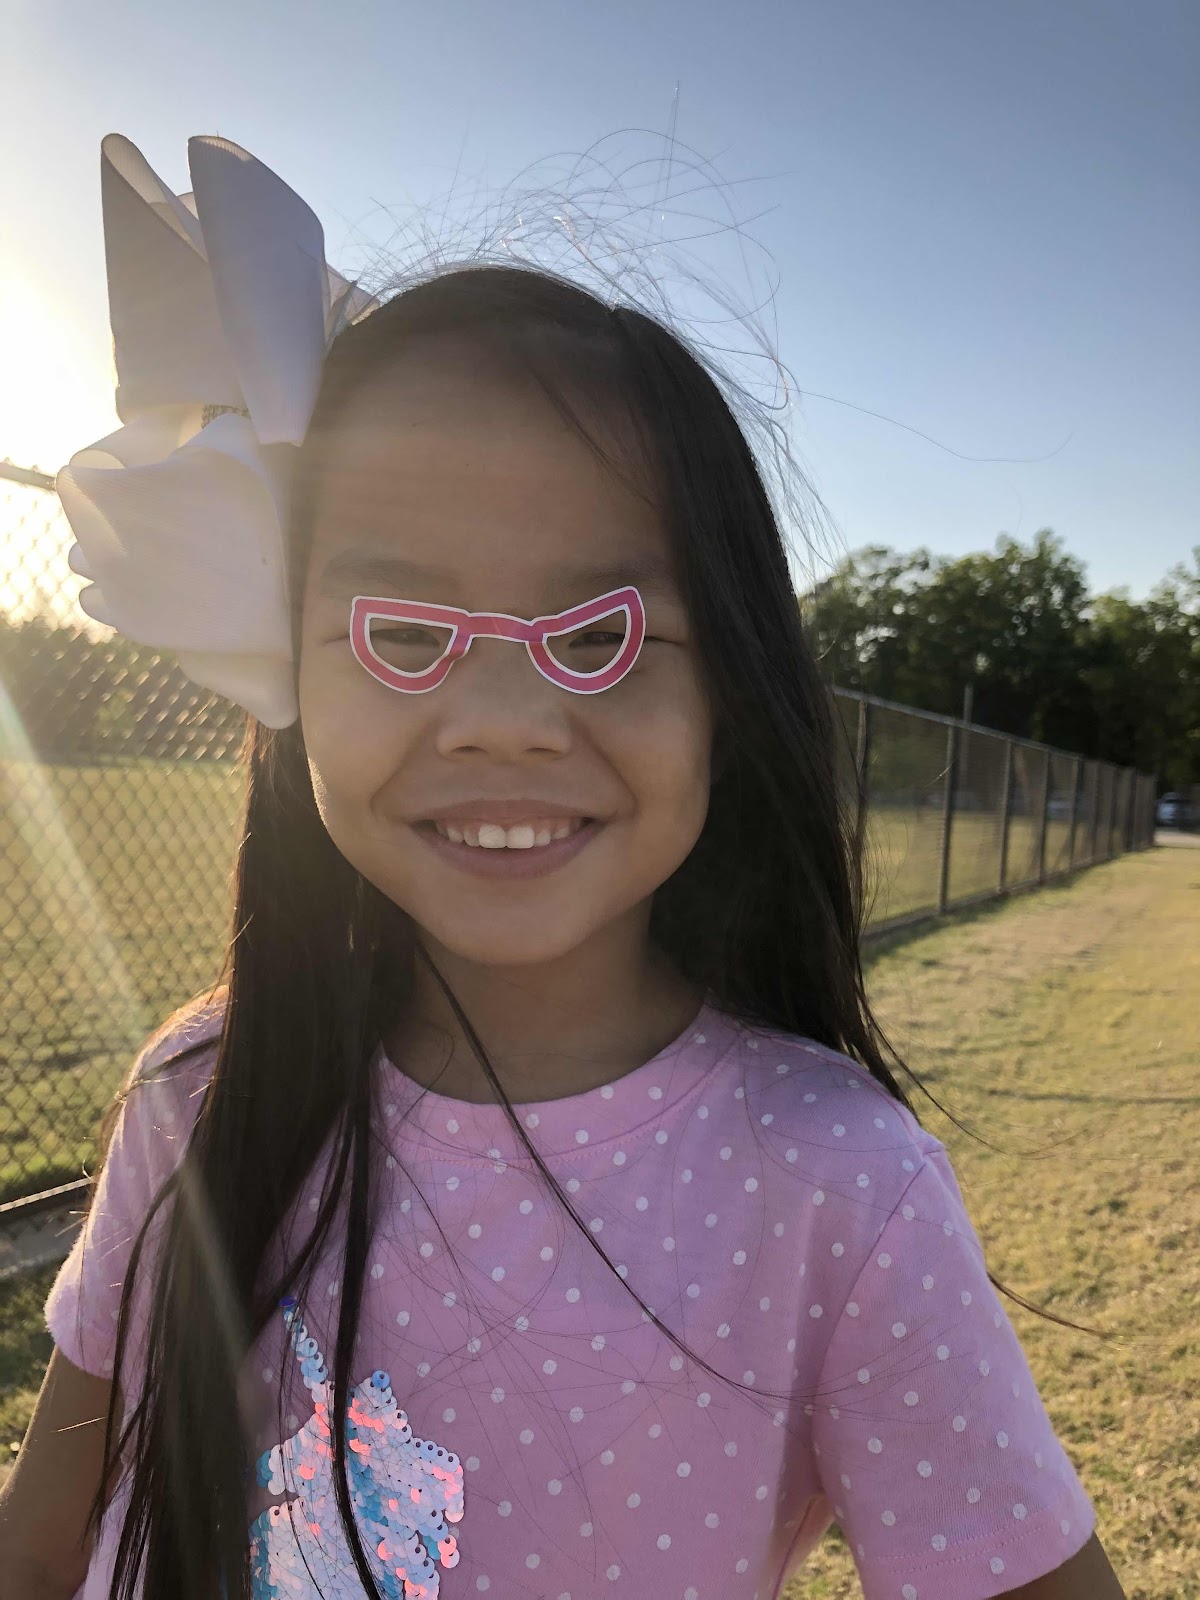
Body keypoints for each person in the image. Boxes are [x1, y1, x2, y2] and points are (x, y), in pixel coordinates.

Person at [0, 134, 1126, 1600]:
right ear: (289, 667)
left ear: (730, 687)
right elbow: (44, 1540)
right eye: (406, 631)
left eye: (600, 634)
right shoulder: (198, 1092)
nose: (506, 721)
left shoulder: (838, 1186)